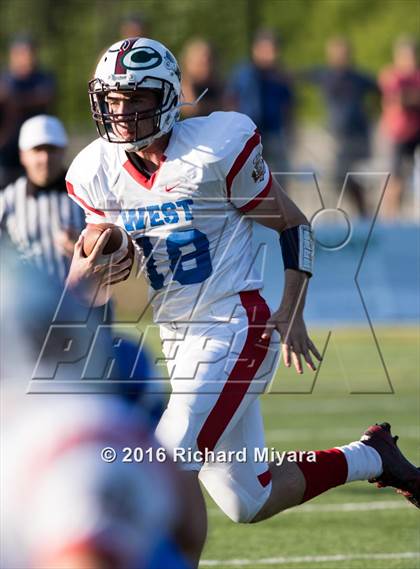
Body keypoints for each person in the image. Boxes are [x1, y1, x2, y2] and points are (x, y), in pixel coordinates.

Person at [65, 37, 420, 568]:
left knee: (164, 461)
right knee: (247, 498)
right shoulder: (97, 170)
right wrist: (91, 265)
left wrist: (291, 309)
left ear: (165, 97)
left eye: (135, 98)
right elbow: (95, 266)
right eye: (113, 99)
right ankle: (373, 457)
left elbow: (294, 224)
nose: (121, 112)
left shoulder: (215, 149)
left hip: (236, 324)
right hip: (178, 336)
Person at [299, 37, 379, 217]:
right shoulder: (324, 75)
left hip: (357, 137)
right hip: (334, 137)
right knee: (337, 177)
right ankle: (354, 212)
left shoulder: (359, 78)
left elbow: (380, 89)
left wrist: (373, 114)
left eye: (343, 54)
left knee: (349, 176)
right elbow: (296, 77)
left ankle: (363, 212)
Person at [225, 29, 294, 174]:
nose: (271, 54)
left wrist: (290, 132)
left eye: (274, 49)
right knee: (250, 177)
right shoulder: (242, 73)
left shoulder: (280, 75)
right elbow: (230, 100)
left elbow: (288, 105)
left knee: (279, 177)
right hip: (248, 135)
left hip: (274, 133)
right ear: (255, 49)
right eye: (267, 49)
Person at [0, 35, 56, 187]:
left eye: (30, 52)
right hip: (8, 148)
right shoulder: (5, 78)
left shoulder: (42, 78)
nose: (27, 57)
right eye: (23, 53)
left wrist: (14, 99)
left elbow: (45, 96)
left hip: (36, 147)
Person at [379, 37, 420, 218]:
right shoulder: (392, 75)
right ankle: (391, 217)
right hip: (397, 133)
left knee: (411, 176)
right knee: (395, 177)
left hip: (416, 131)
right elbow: (398, 98)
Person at [180, 38, 223, 118]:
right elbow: (191, 108)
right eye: (200, 63)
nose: (206, 67)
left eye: (209, 61)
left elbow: (229, 108)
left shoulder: (218, 87)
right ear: (187, 63)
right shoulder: (179, 89)